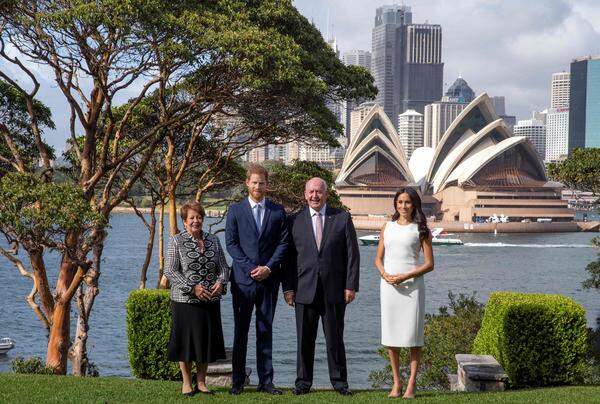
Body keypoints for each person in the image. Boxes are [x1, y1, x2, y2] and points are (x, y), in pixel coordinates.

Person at [283, 177, 360, 396]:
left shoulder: (342, 218)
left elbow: (352, 256)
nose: (315, 195)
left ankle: (339, 382)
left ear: (326, 194)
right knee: (304, 340)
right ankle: (303, 382)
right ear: (305, 194)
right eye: (311, 192)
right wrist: (287, 288)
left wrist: (350, 286)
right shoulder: (294, 220)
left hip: (334, 290)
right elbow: (288, 259)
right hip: (303, 290)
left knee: (335, 339)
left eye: (319, 191)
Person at [225, 164, 289, 395]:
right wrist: (252, 268)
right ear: (247, 184)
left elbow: (284, 243)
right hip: (243, 282)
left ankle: (266, 382)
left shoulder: (277, 211)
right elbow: (231, 244)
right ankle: (237, 382)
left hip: (269, 282)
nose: (258, 186)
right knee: (240, 333)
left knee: (265, 331)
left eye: (261, 183)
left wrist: (269, 268)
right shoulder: (235, 210)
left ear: (266, 185)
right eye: (254, 182)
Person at [164, 201, 229, 397]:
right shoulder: (176, 241)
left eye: (199, 217)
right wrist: (193, 288)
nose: (195, 221)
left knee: (205, 342)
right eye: (191, 218)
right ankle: (186, 383)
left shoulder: (213, 240)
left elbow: (224, 267)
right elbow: (170, 270)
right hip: (185, 301)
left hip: (210, 300)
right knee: (186, 344)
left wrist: (221, 283)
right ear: (184, 222)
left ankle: (201, 382)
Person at [374, 188, 434, 399]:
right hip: (389, 287)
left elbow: (429, 264)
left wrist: (405, 276)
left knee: (413, 337)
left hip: (412, 287)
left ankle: (411, 385)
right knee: (392, 336)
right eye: (400, 202)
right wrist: (385, 275)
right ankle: (396, 383)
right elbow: (378, 259)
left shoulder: (422, 229)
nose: (403, 206)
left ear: (414, 204)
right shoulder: (387, 227)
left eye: (407, 202)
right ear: (395, 204)